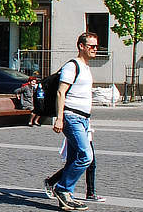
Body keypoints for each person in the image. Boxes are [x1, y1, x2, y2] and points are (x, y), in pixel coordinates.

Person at [45, 32, 99, 211]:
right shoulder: (72, 66)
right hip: (71, 117)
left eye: (97, 46)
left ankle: (67, 197)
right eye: (91, 46)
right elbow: (61, 92)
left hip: (83, 119)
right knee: (86, 156)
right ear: (81, 46)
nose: (95, 50)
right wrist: (59, 118)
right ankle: (62, 189)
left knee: (74, 159)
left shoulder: (86, 67)